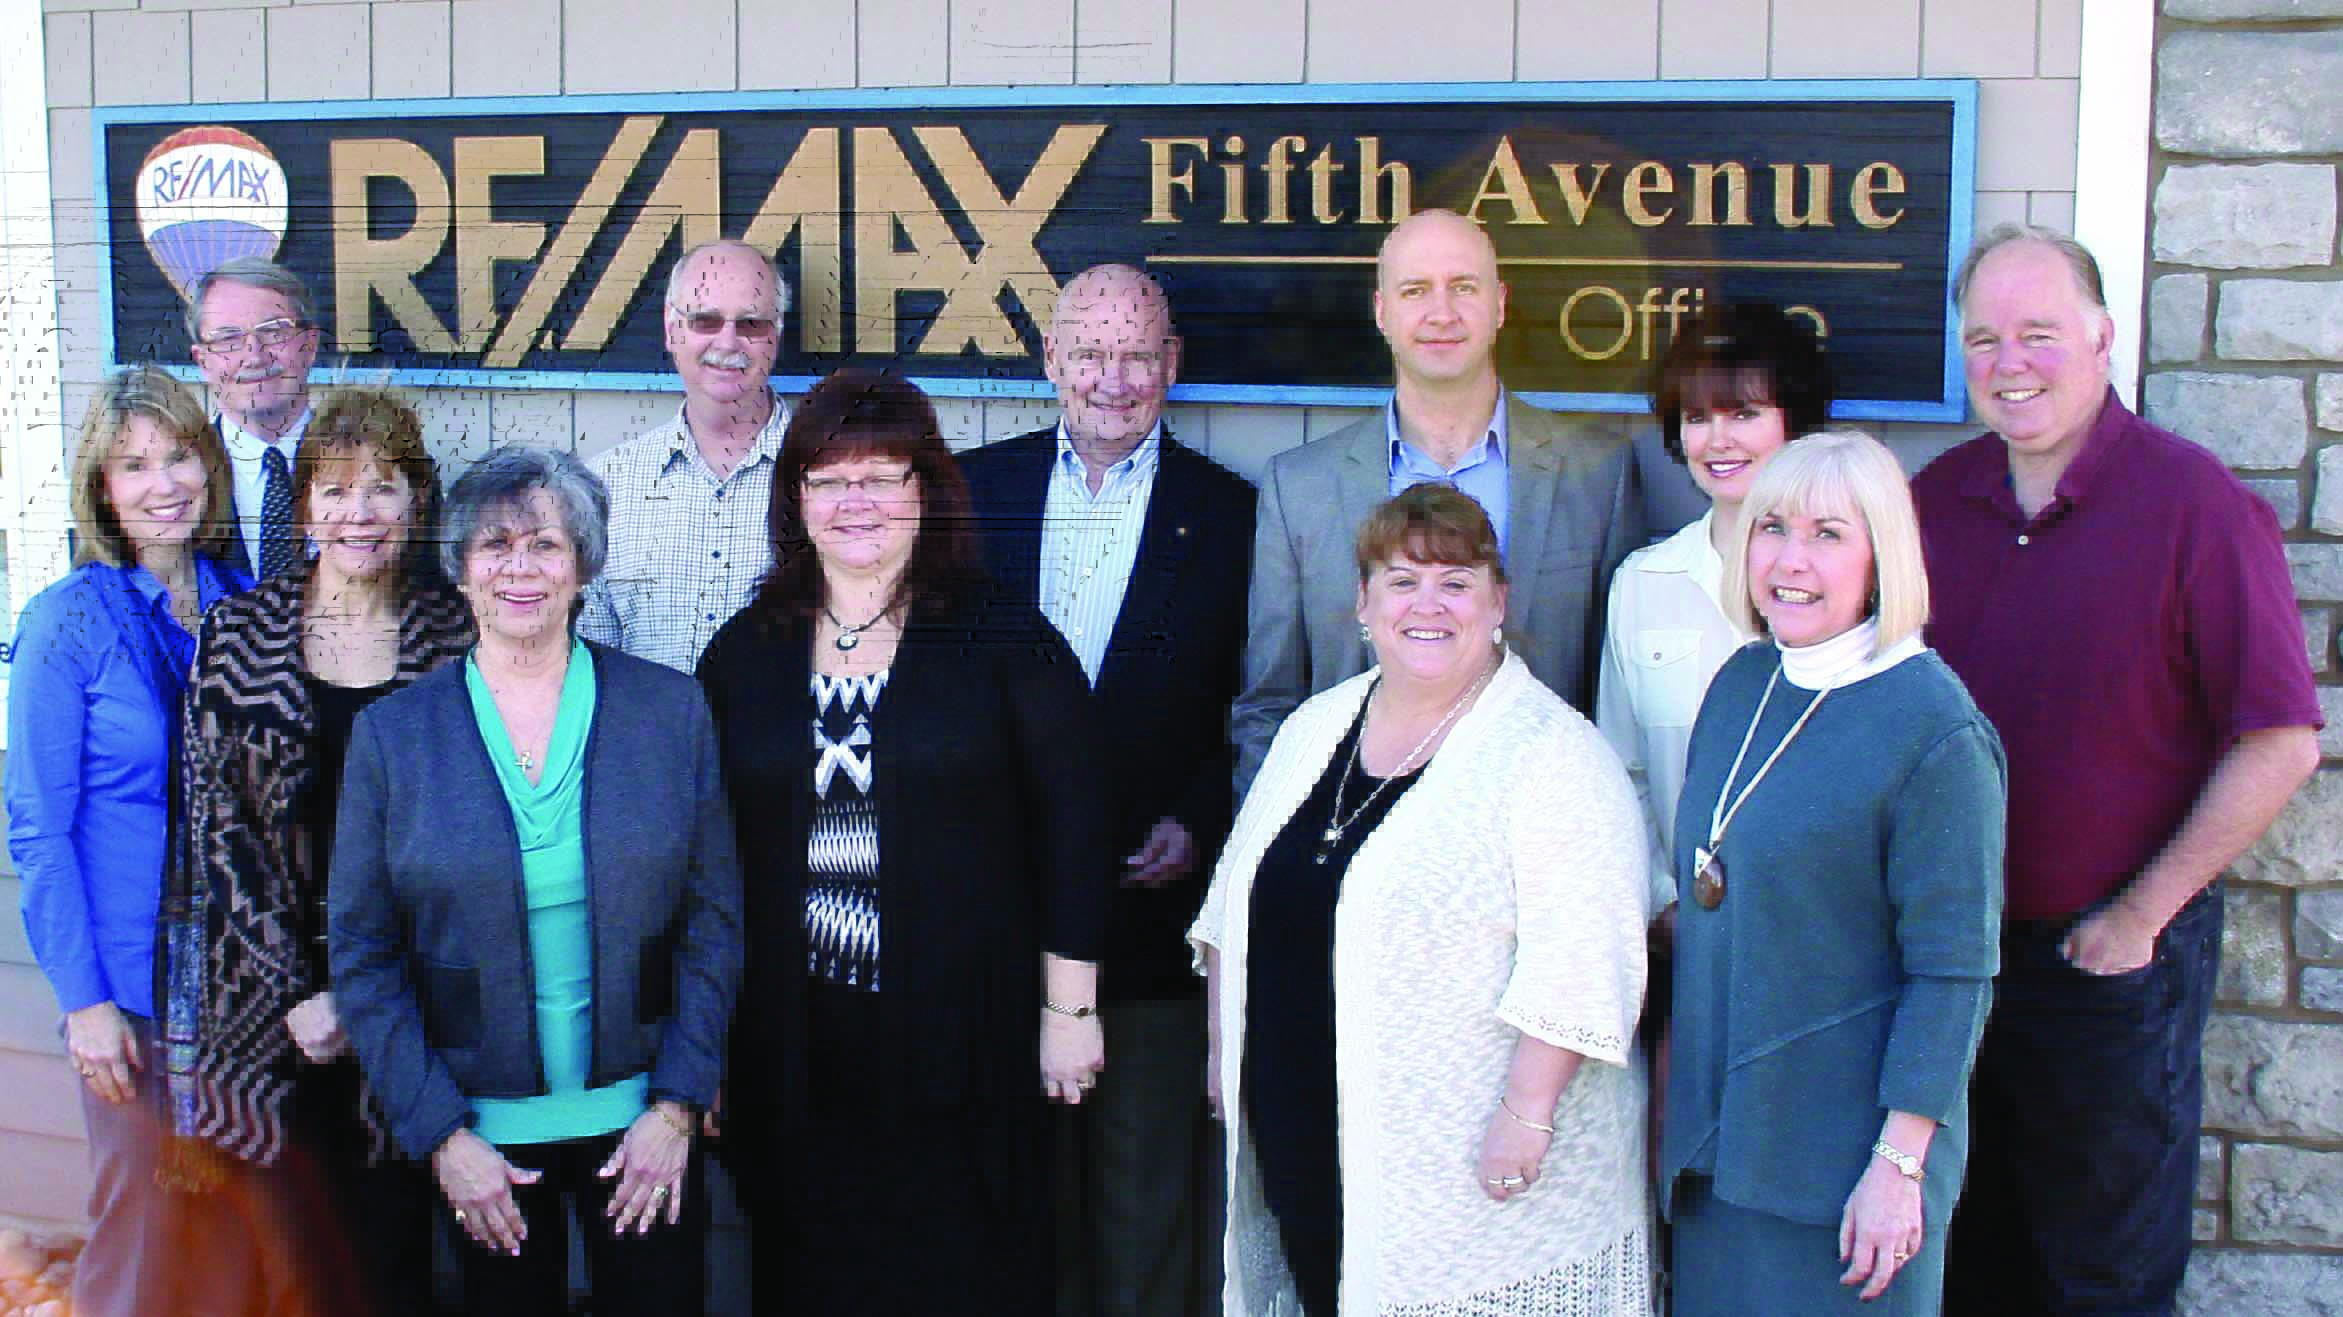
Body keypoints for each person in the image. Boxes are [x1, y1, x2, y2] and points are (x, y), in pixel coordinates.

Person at [1916, 226, 2324, 1315]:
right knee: (1964, 1267)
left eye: (2040, 333)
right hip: (1951, 967)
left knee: (2098, 1281)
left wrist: (2141, 912)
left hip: (2110, 972)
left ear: (2102, 336)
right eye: (1985, 338)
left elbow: (2283, 739)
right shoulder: (1932, 505)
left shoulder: (2193, 506)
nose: (2011, 362)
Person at [697, 368, 1112, 1312]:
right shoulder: (745, 652)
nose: (858, 503)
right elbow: (706, 864)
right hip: (795, 1044)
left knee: (962, 1271)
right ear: (795, 498)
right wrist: (706, 1041)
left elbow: (1075, 828)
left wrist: (1070, 1012)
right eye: (832, 479)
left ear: (927, 491)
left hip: (967, 1040)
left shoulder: (1003, 639)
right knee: (813, 1272)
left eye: (884, 477)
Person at [1193, 483, 1651, 1315]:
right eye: (1401, 582)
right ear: (1362, 603)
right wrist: (1227, 1057)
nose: (1427, 605)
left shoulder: (1554, 754)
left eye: (1455, 582)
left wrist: (1527, 1113)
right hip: (1303, 1119)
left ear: (1498, 601)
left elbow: (1586, 954)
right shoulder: (1313, 728)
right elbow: (1233, 911)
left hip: (1470, 1151)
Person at [327, 445, 744, 1317]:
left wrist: (676, 1106)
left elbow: (714, 919)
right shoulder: (393, 737)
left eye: (546, 545)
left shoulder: (668, 712)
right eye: (496, 546)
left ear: (583, 564)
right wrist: (439, 1134)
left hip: (643, 1126)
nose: (521, 568)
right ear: (462, 568)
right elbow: (364, 956)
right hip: (482, 1141)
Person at [959, 263, 1255, 1317]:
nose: (1114, 378)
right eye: (1090, 351)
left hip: (1152, 922)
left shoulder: (1230, 516)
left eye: (1138, 353)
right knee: (1018, 1202)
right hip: (1001, 920)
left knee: (1145, 1206)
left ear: (1171, 364)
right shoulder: (968, 494)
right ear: (1051, 360)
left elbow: (1257, 708)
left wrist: (1203, 823)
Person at [1662, 431, 2005, 1316]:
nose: (1790, 558)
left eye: (1827, 533)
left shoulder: (1934, 729)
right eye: (1772, 527)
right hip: (1717, 1150)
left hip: (1845, 1169)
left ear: (1879, 556)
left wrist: (1899, 1165)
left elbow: (1952, 971)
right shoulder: (1742, 683)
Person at [159, 388, 472, 1315]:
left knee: (388, 1260)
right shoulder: (237, 631)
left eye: (383, 488)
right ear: (302, 510)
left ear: (417, 502)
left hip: (409, 1002)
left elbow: (470, 834)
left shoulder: (456, 637)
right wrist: (302, 989)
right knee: (276, 1261)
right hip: (264, 1008)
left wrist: (366, 992)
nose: (359, 513)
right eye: (336, 492)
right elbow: (218, 826)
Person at [1231, 208, 1645, 794]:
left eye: (1464, 288)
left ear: (1500, 304)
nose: (1442, 313)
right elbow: (1270, 703)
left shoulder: (1597, 474)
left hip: (1534, 830)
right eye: (1416, 290)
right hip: (1352, 831)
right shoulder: (1299, 488)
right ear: (1383, 312)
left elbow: (1619, 700)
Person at [4, 365, 252, 1317]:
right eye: (133, 465)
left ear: (209, 466)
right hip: (134, 991)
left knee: (237, 1222)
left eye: (180, 454)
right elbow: (40, 824)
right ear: (101, 490)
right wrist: (84, 1003)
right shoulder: (65, 622)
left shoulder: (245, 601)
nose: (163, 483)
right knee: (146, 1228)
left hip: (240, 987)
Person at [1599, 301, 1834, 921]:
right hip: (1683, 934)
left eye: (1744, 413)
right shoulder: (1644, 583)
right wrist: (1664, 904)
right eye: (1697, 417)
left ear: (1793, 423)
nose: (1718, 439)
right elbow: (1623, 773)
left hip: (1818, 933)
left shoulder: (1851, 580)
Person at [580, 239, 793, 671]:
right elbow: (589, 664)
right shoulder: (605, 485)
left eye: (751, 323)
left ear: (776, 334)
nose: (728, 342)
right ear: (671, 328)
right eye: (705, 320)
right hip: (644, 737)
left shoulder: (828, 479)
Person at [186, 256, 322, 581]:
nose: (254, 355)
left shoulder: (381, 464)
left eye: (274, 332)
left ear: (310, 345)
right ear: (203, 362)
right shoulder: (177, 478)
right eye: (227, 338)